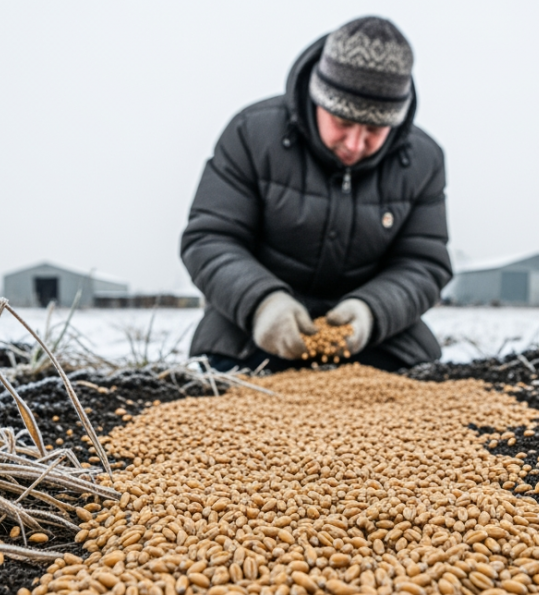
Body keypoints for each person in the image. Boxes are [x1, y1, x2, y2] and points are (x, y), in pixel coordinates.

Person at [180, 16, 451, 372]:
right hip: (253, 331)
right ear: (317, 97)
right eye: (342, 122)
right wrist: (262, 303)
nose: (355, 143)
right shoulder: (251, 134)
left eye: (374, 128)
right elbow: (210, 238)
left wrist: (372, 311)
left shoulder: (423, 160)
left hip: (375, 335)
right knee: (222, 380)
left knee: (422, 385)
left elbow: (424, 263)